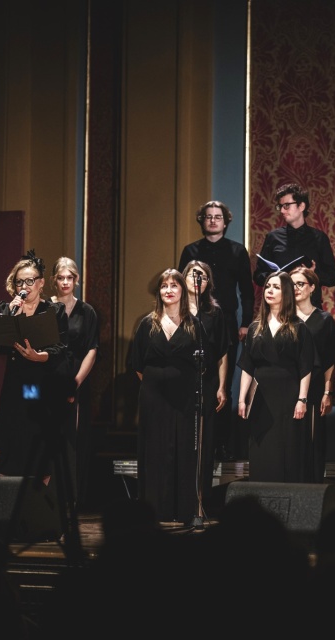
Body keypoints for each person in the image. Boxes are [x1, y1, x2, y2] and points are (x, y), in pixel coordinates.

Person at [131, 268, 227, 523]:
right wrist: (159, 384)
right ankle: (155, 510)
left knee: (184, 450)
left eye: (174, 286)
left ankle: (184, 509)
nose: (169, 290)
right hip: (153, 397)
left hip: (185, 398)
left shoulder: (194, 324)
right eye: (164, 286)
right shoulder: (146, 323)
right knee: (156, 450)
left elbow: (206, 361)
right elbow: (138, 365)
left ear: (183, 291)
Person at [178, 200, 255, 462]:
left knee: (222, 385)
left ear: (226, 221)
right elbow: (179, 287)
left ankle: (220, 444)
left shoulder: (236, 251)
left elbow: (247, 290)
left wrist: (246, 322)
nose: (213, 220)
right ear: (202, 220)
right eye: (208, 217)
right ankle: (191, 440)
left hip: (227, 321)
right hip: (192, 318)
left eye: (217, 217)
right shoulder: (190, 251)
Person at [0, 250, 71, 483]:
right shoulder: (9, 309)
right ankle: (6, 508)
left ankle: (38, 509)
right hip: (15, 384)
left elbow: (61, 348)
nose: (24, 286)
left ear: (40, 283)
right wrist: (11, 315)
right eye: (19, 282)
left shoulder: (53, 311)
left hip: (41, 382)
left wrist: (39, 356)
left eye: (29, 281)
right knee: (12, 439)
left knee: (38, 443)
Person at [236, 271, 315, 483]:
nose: (270, 291)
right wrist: (242, 398)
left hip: (289, 395)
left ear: (287, 292)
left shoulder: (299, 328)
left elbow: (305, 367)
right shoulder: (255, 328)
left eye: (276, 287)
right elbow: (247, 366)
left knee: (288, 449)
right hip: (261, 396)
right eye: (268, 286)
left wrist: (302, 399)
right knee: (263, 449)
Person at [49, 256, 100, 509]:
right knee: (49, 434)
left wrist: (76, 383)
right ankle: (49, 496)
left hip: (77, 377)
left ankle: (72, 498)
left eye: (70, 278)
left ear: (76, 280)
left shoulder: (86, 311)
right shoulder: (45, 307)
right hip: (49, 376)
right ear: (54, 280)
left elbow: (92, 349)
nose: (66, 282)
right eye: (61, 278)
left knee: (73, 438)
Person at [181, 260, 230, 507]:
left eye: (202, 275)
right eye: (192, 274)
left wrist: (222, 386)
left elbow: (222, 352)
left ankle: (201, 498)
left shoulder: (214, 312)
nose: (196, 278)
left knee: (204, 440)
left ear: (208, 282)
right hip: (180, 383)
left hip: (207, 380)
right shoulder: (174, 308)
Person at [289, 266, 335, 484]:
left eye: (300, 284)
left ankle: (310, 492)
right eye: (291, 284)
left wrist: (327, 391)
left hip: (314, 386)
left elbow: (330, 359)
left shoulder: (324, 319)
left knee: (312, 441)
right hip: (286, 384)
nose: (295, 288)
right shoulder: (283, 317)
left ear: (312, 287)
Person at [254, 183, 335, 309]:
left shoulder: (319, 238)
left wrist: (314, 274)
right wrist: (274, 276)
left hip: (309, 309)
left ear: (301, 206)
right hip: (280, 308)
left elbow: (333, 277)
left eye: (286, 206)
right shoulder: (273, 237)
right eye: (280, 206)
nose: (282, 211)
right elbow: (258, 276)